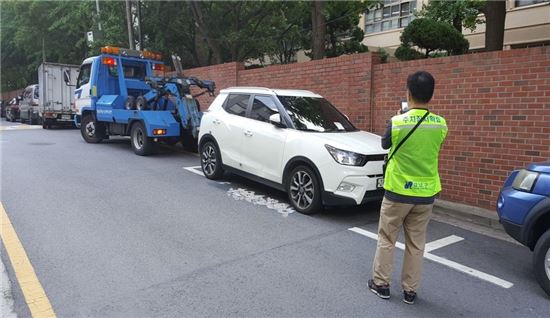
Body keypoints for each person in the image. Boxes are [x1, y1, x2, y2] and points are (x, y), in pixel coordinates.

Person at [368, 71, 448, 305]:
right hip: (425, 193)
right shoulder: (441, 124)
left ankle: (381, 284)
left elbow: (385, 144)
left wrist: (400, 116)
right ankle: (410, 291)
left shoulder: (398, 122)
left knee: (387, 238)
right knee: (416, 244)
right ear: (430, 95)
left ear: (409, 93)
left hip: (397, 192)